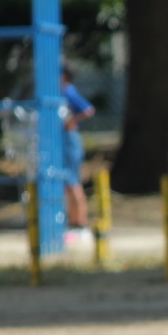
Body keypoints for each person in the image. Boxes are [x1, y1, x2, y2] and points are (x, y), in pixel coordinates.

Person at [60, 65, 95, 244]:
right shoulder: (60, 92)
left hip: (70, 141)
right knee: (68, 184)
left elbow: (88, 110)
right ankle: (73, 222)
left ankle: (80, 223)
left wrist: (73, 120)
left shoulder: (68, 91)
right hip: (64, 142)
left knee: (73, 183)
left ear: (65, 76)